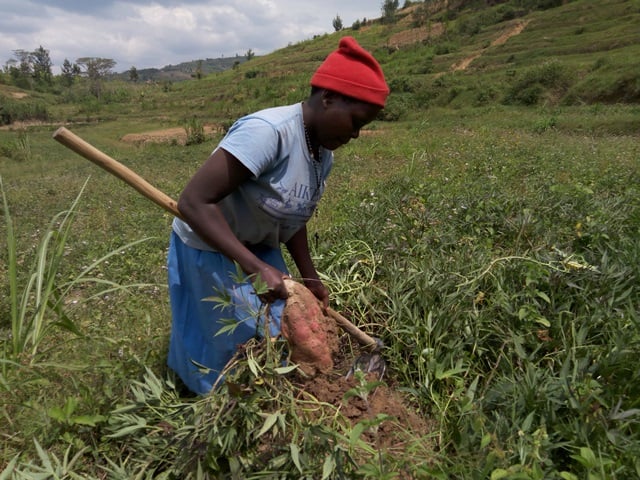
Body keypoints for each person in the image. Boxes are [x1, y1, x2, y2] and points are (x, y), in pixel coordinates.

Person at [167, 36, 389, 395]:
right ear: (329, 98)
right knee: (230, 338)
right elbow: (194, 202)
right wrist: (257, 269)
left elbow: (294, 217)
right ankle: (211, 405)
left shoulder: (322, 155)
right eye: (355, 121)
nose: (356, 134)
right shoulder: (268, 133)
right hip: (211, 243)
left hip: (258, 244)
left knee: (278, 330)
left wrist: (310, 277)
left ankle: (279, 395)